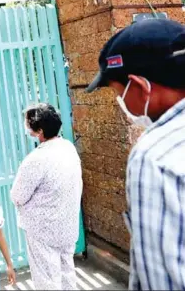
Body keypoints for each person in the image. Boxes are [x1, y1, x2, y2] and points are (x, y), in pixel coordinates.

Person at [84, 18, 185, 290]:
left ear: (140, 86)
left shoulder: (155, 156)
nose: (122, 103)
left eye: (119, 93)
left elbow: (163, 281)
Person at [10, 103, 82, 290]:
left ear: (39, 130)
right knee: (67, 273)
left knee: (47, 280)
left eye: (28, 123)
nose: (26, 126)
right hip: (67, 224)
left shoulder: (36, 159)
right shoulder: (68, 147)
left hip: (43, 229)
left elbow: (17, 196)